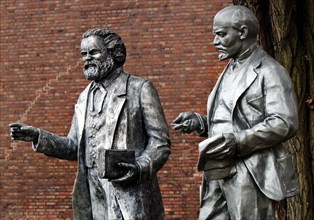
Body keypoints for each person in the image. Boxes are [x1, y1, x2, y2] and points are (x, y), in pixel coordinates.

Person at [10, 28, 171, 220]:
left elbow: (160, 143)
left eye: (94, 52)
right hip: (91, 188)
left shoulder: (139, 88)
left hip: (127, 186)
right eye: (83, 54)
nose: (87, 59)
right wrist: (38, 136)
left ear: (114, 53)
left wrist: (140, 167)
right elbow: (74, 146)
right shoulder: (84, 97)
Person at [172, 5, 298, 220]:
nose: (215, 41)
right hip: (217, 168)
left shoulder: (270, 70)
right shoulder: (229, 69)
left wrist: (238, 141)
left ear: (242, 32)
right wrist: (201, 123)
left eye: (221, 34)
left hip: (250, 171)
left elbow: (284, 122)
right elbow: (230, 118)